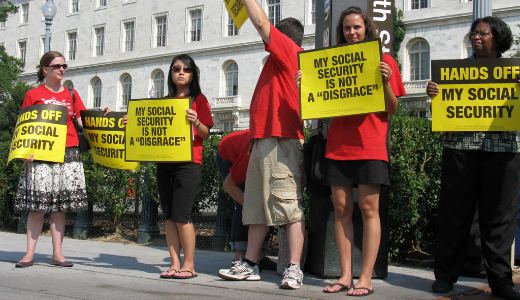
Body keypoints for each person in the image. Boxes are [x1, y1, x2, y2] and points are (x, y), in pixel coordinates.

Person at [298, 6, 405, 296]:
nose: (352, 32)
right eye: (347, 28)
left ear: (366, 28)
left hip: (371, 145)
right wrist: (305, 86)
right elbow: (316, 103)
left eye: (356, 27)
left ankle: (366, 277)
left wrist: (384, 81)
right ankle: (345, 275)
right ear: (341, 32)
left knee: (370, 209)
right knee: (342, 209)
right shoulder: (332, 63)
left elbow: (393, 108)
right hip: (339, 147)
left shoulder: (385, 61)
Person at [427, 16, 520, 299]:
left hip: (504, 150)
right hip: (460, 149)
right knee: (454, 214)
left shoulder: (514, 72)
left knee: (499, 218)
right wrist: (434, 94)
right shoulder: (455, 71)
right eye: (474, 33)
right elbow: (439, 112)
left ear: (499, 38)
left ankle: (501, 280)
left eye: (483, 33)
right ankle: (445, 276)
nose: (476, 37)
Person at [218, 0, 306, 290]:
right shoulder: (277, 63)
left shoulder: (290, 51)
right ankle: (251, 264)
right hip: (263, 139)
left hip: (280, 139)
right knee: (256, 207)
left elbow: (260, 22)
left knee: (287, 206)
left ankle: (293, 267)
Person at [14, 51, 89, 268]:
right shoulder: (33, 94)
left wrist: (102, 117)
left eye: (64, 66)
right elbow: (23, 126)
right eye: (57, 66)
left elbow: (84, 122)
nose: (62, 69)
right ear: (45, 69)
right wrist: (24, 152)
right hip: (41, 153)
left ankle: (58, 254)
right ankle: (29, 253)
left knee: (60, 208)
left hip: (68, 150)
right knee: (37, 207)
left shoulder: (72, 94)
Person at [156, 54, 213, 280]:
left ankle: (189, 264)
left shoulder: (199, 100)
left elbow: (206, 134)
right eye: (176, 69)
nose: (181, 72)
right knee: (169, 216)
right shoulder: (164, 101)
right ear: (171, 74)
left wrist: (196, 121)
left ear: (193, 74)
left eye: (186, 69)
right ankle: (174, 264)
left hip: (189, 163)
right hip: (165, 162)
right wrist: (131, 122)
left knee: (182, 214)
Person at [215, 129, 277, 271]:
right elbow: (229, 185)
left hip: (245, 152)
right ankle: (239, 257)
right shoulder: (252, 151)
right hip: (227, 155)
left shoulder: (274, 147)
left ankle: (259, 256)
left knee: (262, 207)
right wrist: (251, 206)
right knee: (245, 207)